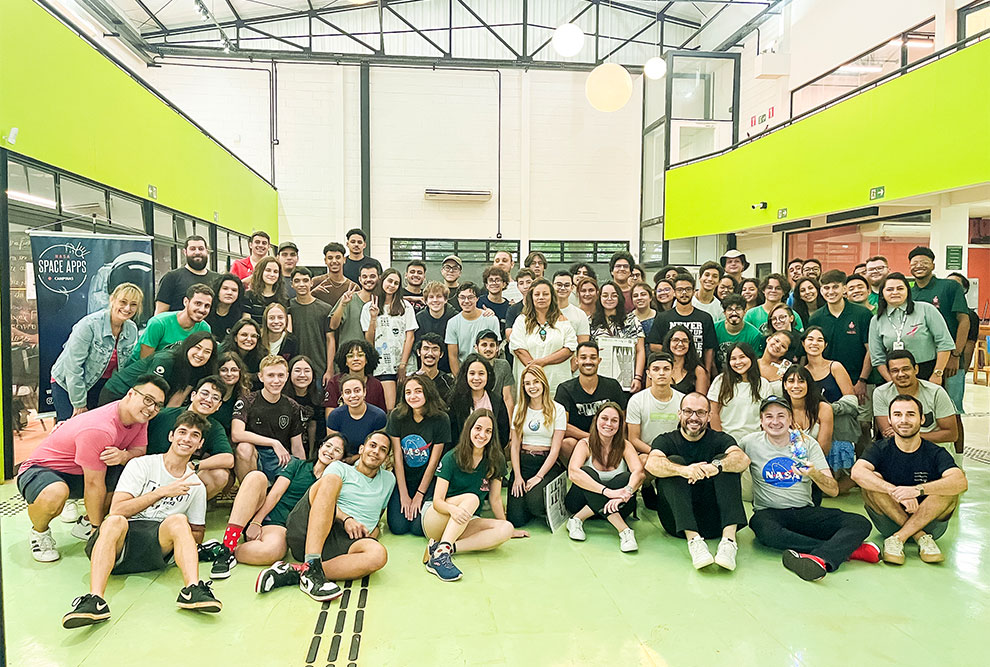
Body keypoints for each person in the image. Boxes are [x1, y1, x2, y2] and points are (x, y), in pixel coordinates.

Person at [61, 411, 220, 628]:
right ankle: (95, 599)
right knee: (115, 521)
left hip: (156, 549)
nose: (187, 439)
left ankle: (192, 589)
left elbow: (197, 533)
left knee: (178, 521)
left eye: (194, 435)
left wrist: (180, 543)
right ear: (171, 436)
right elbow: (117, 509)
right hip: (120, 543)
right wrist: (162, 492)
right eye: (182, 432)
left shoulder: (196, 486)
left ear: (200, 444)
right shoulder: (142, 465)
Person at [18, 375, 167, 562]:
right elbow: (93, 484)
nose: (151, 409)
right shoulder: (100, 428)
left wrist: (124, 456)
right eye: (148, 400)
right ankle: (39, 533)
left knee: (131, 478)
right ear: (131, 394)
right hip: (41, 470)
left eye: (157, 405)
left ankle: (86, 523)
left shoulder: (139, 419)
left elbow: (139, 452)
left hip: (79, 472)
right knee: (56, 493)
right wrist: (98, 533)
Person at [741, 396, 876, 582]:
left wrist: (814, 474)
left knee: (860, 522)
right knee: (765, 531)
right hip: (769, 513)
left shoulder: (807, 443)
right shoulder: (749, 443)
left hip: (804, 512)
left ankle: (817, 556)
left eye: (781, 416)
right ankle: (843, 551)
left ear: (790, 419)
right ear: (761, 421)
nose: (775, 422)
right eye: (769, 416)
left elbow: (833, 491)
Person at [259, 431, 394, 601]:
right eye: (372, 445)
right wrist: (346, 518)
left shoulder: (389, 480)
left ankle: (301, 572)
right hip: (311, 529)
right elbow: (323, 497)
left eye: (382, 449)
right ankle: (312, 561)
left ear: (386, 458)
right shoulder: (340, 467)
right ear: (361, 449)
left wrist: (371, 535)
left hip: (344, 541)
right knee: (330, 481)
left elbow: (376, 513)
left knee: (378, 554)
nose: (376, 451)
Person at [851, 394, 968, 565]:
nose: (904, 420)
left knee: (949, 486)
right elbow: (857, 473)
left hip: (931, 523)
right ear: (889, 420)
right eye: (897, 415)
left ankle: (899, 538)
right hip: (890, 521)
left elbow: (960, 482)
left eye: (911, 414)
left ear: (922, 419)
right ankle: (920, 537)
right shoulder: (879, 448)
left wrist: (917, 490)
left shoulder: (935, 452)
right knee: (871, 479)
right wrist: (894, 491)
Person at [208, 434, 345, 578]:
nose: (330, 451)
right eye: (328, 446)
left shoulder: (335, 481)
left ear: (342, 459)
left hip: (285, 528)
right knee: (256, 477)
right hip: (271, 516)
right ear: (320, 447)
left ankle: (221, 550)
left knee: (273, 551)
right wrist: (256, 521)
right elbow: (275, 494)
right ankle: (228, 545)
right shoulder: (297, 465)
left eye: (337, 450)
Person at [646, 392, 749, 570]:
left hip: (715, 522)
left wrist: (716, 466)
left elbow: (743, 459)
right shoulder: (666, 440)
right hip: (677, 523)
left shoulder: (720, 439)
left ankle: (729, 542)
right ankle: (694, 542)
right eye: (688, 411)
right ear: (679, 414)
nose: (694, 417)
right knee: (673, 461)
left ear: (709, 416)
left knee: (726, 463)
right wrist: (684, 470)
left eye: (700, 413)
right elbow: (652, 464)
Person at [422, 409, 525, 582]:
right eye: (478, 428)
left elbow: (495, 499)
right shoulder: (451, 457)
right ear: (469, 429)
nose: (482, 435)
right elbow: (437, 501)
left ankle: (443, 549)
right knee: (472, 498)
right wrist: (453, 510)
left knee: (505, 528)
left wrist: (508, 525)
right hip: (437, 517)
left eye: (488, 431)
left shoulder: (496, 459)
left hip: (463, 520)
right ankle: (440, 558)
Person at [51, 283, 143, 422]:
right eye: (123, 302)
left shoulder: (132, 329)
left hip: (101, 385)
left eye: (133, 304)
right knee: (72, 427)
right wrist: (79, 403)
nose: (127, 308)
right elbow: (73, 367)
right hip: (68, 384)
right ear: (112, 300)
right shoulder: (89, 324)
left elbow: (124, 368)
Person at [909, 246, 969, 453]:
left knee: (952, 411)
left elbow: (964, 320)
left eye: (924, 262)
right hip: (923, 363)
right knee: (924, 411)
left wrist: (955, 355)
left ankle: (958, 459)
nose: (919, 266)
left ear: (933, 265)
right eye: (914, 262)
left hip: (950, 361)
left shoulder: (949, 287)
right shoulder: (909, 291)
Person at [564, 403, 644, 552]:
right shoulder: (584, 444)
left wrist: (625, 492)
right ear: (596, 420)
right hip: (581, 501)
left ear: (620, 425)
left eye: (614, 420)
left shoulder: (625, 445)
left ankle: (577, 519)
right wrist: (607, 492)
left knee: (625, 477)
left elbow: (639, 473)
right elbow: (573, 473)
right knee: (587, 472)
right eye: (604, 418)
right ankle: (624, 531)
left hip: (619, 505)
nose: (608, 424)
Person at [146, 376, 234, 499]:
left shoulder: (215, 427)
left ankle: (188, 509)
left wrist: (195, 464)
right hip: (153, 472)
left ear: (218, 406)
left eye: (215, 398)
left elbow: (228, 459)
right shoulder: (164, 416)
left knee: (220, 475)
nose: (208, 400)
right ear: (193, 395)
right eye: (204, 393)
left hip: (184, 474)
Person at [808, 270, 874, 432]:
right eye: (826, 288)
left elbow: (870, 350)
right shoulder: (816, 317)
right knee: (830, 424)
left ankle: (862, 458)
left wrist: (862, 380)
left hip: (859, 380)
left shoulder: (862, 314)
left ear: (844, 289)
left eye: (835, 287)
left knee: (862, 426)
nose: (831, 292)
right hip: (828, 381)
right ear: (821, 291)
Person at [386, 376, 451, 536]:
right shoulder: (396, 416)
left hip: (428, 481)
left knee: (418, 528)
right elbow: (398, 459)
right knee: (398, 527)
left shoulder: (441, 419)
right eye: (408, 392)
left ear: (427, 393)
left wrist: (419, 495)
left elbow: (433, 462)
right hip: (403, 480)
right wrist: (404, 494)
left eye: (418, 391)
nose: (412, 396)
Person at [507, 365, 567, 528]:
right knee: (516, 520)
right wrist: (517, 476)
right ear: (523, 387)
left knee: (534, 498)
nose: (532, 387)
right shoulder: (519, 409)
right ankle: (525, 503)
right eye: (527, 383)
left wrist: (539, 476)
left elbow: (555, 449)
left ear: (543, 384)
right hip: (524, 461)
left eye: (536, 382)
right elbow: (515, 446)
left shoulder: (558, 409)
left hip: (546, 462)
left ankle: (538, 500)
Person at [232, 355, 305, 483]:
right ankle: (249, 496)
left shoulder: (292, 406)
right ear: (261, 377)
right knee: (244, 448)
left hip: (280, 458)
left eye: (280, 375)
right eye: (271, 375)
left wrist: (303, 475)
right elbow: (237, 434)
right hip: (254, 456)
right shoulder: (247, 400)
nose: (276, 381)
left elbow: (297, 446)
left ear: (287, 376)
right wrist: (273, 442)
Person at [869, 273, 954, 384]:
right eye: (889, 289)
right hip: (893, 374)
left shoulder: (926, 309)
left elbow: (944, 343)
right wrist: (892, 382)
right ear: (882, 294)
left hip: (927, 371)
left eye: (900, 288)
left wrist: (937, 373)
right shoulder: (877, 320)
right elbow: (877, 357)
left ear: (908, 291)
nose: (895, 292)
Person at [800, 329, 859, 486]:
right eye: (810, 339)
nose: (814, 343)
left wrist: (827, 410)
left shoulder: (835, 367)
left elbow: (851, 399)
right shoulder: (801, 372)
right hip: (813, 425)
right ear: (803, 343)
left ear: (825, 345)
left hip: (839, 424)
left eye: (819, 340)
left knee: (837, 481)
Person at [101, 331, 218, 407]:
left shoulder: (199, 368)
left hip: (145, 401)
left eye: (207, 352)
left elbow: (177, 399)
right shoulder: (166, 360)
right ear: (188, 346)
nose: (200, 354)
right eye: (197, 348)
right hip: (118, 391)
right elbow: (148, 392)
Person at [555, 341, 628, 460]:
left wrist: (610, 438)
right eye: (583, 357)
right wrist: (593, 438)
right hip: (581, 441)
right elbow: (563, 425)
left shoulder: (612, 385)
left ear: (599, 360)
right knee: (566, 443)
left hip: (609, 438)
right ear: (576, 360)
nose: (588, 361)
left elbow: (623, 418)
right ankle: (578, 474)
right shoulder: (565, 389)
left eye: (593, 357)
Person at [873, 350, 957, 449]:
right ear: (889, 373)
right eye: (895, 371)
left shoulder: (936, 392)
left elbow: (952, 434)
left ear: (916, 369)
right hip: (899, 448)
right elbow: (888, 434)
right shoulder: (881, 393)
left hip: (934, 448)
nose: (901, 374)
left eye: (906, 369)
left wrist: (914, 436)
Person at [509, 278, 578, 394]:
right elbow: (518, 349)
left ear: (552, 297)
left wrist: (543, 362)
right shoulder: (521, 321)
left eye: (545, 294)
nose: (541, 297)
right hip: (530, 385)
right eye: (537, 294)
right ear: (531, 297)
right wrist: (536, 373)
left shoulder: (563, 322)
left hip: (557, 384)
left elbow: (570, 348)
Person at [362, 267, 418, 409]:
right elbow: (369, 340)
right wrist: (373, 318)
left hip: (404, 363)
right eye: (389, 281)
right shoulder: (369, 307)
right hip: (383, 365)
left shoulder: (406, 307)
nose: (392, 285)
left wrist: (403, 364)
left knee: (409, 405)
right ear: (382, 281)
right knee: (390, 407)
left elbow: (410, 336)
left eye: (396, 283)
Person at [646, 273, 717, 377]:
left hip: (697, 371)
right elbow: (653, 345)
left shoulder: (705, 318)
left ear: (693, 292)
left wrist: (707, 372)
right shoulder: (663, 317)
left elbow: (709, 349)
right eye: (680, 290)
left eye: (688, 289)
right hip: (670, 370)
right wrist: (676, 351)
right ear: (674, 292)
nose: (684, 293)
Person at [708, 343, 774, 445]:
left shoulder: (763, 384)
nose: (738, 362)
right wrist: (720, 439)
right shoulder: (721, 380)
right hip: (727, 440)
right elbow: (713, 413)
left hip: (755, 441)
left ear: (751, 358)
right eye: (733, 359)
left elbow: (768, 415)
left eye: (742, 357)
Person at [589, 281, 646, 393]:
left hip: (627, 380)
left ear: (619, 298)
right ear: (599, 298)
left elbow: (640, 350)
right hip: (599, 379)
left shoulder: (632, 320)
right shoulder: (591, 322)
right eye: (605, 295)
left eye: (614, 295)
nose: (609, 298)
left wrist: (638, 377)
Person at [447, 353, 510, 449]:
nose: (476, 378)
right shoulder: (456, 401)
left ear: (488, 375)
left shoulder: (496, 400)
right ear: (465, 375)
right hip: (462, 455)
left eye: (481, 373)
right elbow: (452, 435)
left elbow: (503, 433)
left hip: (490, 455)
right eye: (472, 373)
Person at [134, 284, 213, 360]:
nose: (202, 309)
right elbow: (145, 361)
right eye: (198, 304)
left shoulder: (204, 328)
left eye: (207, 306)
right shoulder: (159, 323)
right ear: (186, 302)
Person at [627, 353, 684, 457]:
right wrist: (656, 453)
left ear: (672, 372)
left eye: (666, 369)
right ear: (648, 373)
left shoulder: (683, 400)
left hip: (676, 453)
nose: (661, 373)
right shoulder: (636, 400)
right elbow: (633, 439)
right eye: (656, 369)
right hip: (647, 453)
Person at [327, 374, 387, 464]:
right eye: (347, 392)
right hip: (340, 461)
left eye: (357, 391)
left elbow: (379, 448)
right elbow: (333, 447)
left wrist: (354, 459)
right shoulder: (335, 416)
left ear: (364, 392)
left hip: (370, 459)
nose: (353, 395)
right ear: (342, 395)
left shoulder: (378, 416)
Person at [288, 267, 333, 384]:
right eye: (297, 281)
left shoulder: (325, 308)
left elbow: (330, 340)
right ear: (291, 284)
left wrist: (330, 369)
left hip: (319, 370)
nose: (301, 284)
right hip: (294, 370)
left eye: (305, 280)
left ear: (311, 282)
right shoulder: (287, 307)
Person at [446, 283, 501, 375]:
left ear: (477, 298)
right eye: (462, 297)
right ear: (458, 299)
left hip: (487, 371)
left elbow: (496, 351)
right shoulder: (452, 323)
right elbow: (452, 356)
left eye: (470, 297)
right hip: (464, 371)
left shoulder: (491, 319)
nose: (466, 301)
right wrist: (458, 379)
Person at [154, 235, 219, 313]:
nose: (197, 252)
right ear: (185, 252)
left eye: (201, 249)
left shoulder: (217, 279)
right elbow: (160, 314)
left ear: (207, 251)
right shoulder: (172, 277)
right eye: (192, 249)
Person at [322, 339, 387, 412]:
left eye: (360, 355)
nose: (356, 359)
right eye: (350, 356)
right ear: (345, 361)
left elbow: (382, 416)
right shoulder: (334, 382)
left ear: (367, 359)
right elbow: (330, 416)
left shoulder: (376, 385)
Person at [330, 261, 378, 347]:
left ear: (379, 278)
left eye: (372, 276)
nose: (368, 280)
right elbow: (333, 326)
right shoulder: (348, 298)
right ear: (360, 279)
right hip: (349, 354)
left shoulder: (382, 302)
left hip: (372, 354)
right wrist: (343, 304)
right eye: (364, 277)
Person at [713, 294, 763, 375]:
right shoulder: (714, 329)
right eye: (729, 309)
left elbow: (754, 362)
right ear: (724, 313)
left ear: (744, 312)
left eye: (738, 309)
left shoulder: (754, 334)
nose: (734, 313)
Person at [288, 355, 327, 455]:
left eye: (307, 371)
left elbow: (312, 426)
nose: (302, 375)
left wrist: (310, 452)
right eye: (297, 370)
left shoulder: (317, 397)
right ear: (289, 374)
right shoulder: (282, 397)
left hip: (305, 446)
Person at [415, 281, 456, 374]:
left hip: (448, 369)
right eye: (431, 297)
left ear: (445, 300)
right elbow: (417, 346)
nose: (435, 300)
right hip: (425, 368)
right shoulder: (419, 318)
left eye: (439, 296)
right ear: (425, 301)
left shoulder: (454, 317)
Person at [948, 272, 980, 385]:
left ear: (964, 290)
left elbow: (969, 346)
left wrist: (962, 371)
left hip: (956, 366)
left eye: (954, 284)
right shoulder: (939, 311)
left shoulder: (970, 316)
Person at [474, 329, 514, 416]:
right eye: (484, 345)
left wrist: (512, 426)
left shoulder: (503, 365)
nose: (488, 349)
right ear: (476, 348)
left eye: (492, 345)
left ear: (497, 348)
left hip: (497, 412)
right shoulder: (471, 366)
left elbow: (507, 397)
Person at [662, 325, 709, 396]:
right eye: (675, 340)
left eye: (684, 341)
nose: (680, 344)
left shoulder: (698, 371)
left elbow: (700, 401)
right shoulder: (658, 366)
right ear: (669, 342)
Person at [552, 271, 591, 354]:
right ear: (552, 286)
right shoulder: (542, 312)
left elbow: (582, 346)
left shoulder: (580, 315)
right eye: (559, 285)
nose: (562, 288)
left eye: (566, 285)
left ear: (572, 287)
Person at [310, 242, 357, 308]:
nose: (334, 261)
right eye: (330, 258)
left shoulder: (353, 287)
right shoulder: (315, 282)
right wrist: (313, 292)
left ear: (344, 260)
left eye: (338, 257)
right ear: (325, 261)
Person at [245, 257, 289, 325]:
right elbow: (246, 324)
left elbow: (288, 325)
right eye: (268, 270)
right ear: (260, 272)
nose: (272, 274)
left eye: (275, 272)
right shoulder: (248, 296)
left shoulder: (284, 298)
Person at [216, 351, 251, 436]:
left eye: (234, 370)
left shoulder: (243, 397)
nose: (229, 374)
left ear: (240, 372)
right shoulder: (210, 395)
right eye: (224, 370)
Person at [205, 273, 248, 339]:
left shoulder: (240, 314)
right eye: (225, 288)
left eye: (234, 290)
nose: (229, 293)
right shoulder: (206, 310)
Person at [414, 332, 456, 399]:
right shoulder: (410, 381)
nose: (430, 353)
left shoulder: (449, 384)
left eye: (435, 349)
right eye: (426, 348)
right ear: (418, 352)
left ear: (441, 354)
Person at [505, 269, 537, 335]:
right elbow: (508, 334)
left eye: (528, 282)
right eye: (521, 283)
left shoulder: (542, 306)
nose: (525, 287)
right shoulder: (512, 309)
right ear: (517, 286)